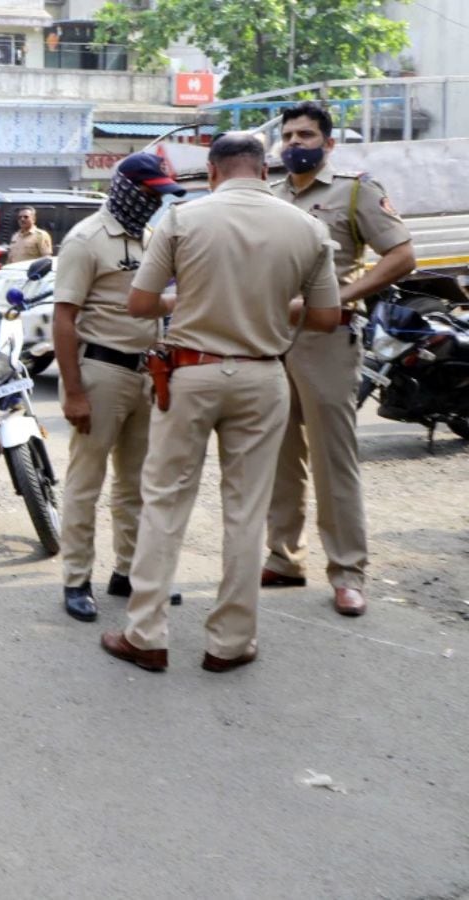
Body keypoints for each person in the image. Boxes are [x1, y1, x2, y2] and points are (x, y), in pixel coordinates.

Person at [101, 132, 341, 674]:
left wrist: (188, 298)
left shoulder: (182, 220)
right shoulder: (307, 227)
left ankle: (146, 635)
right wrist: (273, 304)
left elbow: (140, 303)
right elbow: (326, 317)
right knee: (247, 510)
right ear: (264, 171)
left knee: (164, 501)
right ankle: (230, 643)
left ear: (212, 172)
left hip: (190, 373)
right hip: (263, 375)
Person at [263, 101, 414, 617]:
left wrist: (341, 297)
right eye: (288, 136)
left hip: (327, 338)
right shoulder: (271, 196)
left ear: (328, 144)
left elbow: (402, 255)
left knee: (334, 459)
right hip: (271, 338)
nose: (294, 144)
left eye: (305, 135)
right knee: (278, 453)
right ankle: (284, 557)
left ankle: (347, 571)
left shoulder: (354, 191)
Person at [52, 152, 181, 622]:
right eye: (150, 194)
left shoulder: (149, 239)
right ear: (126, 190)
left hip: (145, 374)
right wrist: (73, 391)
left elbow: (145, 305)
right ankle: (76, 579)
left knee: (137, 483)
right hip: (100, 373)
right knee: (86, 482)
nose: (155, 203)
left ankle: (128, 572)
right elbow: (63, 318)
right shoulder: (85, 241)